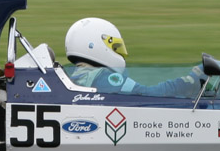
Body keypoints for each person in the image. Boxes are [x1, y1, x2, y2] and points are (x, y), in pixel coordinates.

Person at [64, 17, 206, 97]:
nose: (121, 53)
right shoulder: (103, 78)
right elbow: (147, 94)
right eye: (115, 48)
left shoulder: (77, 75)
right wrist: (189, 81)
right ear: (93, 45)